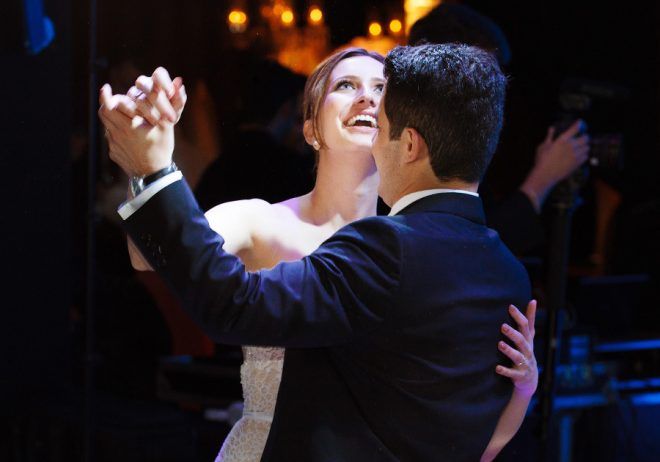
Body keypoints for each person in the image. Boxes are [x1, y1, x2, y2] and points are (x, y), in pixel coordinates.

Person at [100, 44, 537, 461]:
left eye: (381, 89)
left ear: (405, 134)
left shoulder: (409, 252)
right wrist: (146, 170)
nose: (367, 97)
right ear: (309, 129)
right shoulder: (262, 220)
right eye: (347, 85)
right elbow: (153, 255)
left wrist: (521, 389)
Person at [408, 3, 590, 255]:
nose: (492, 92)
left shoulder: (460, 152)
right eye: (481, 75)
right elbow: (466, 253)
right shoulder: (412, 150)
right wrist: (542, 180)